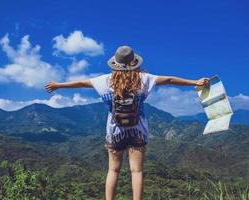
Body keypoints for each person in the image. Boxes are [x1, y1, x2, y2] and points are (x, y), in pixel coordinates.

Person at [45, 45, 209, 200]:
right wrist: (195, 82)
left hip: (114, 132)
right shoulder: (143, 79)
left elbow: (81, 83)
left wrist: (58, 85)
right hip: (138, 131)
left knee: (113, 170)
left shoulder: (105, 80)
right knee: (136, 171)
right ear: (133, 63)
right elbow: (170, 80)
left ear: (115, 64)